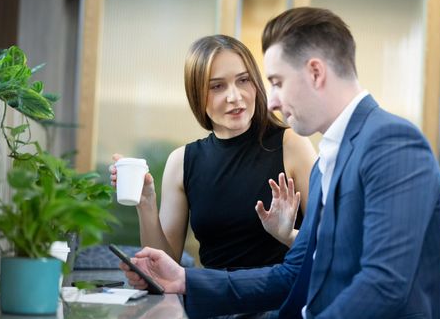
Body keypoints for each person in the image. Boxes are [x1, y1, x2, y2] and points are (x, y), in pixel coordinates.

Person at [120, 7, 440, 319]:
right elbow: (293, 274)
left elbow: (384, 284)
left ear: (315, 72)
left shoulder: (391, 143)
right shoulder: (330, 157)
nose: (271, 101)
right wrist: (185, 280)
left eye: (276, 83)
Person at [110, 35, 316, 270]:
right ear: (197, 95)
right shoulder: (182, 161)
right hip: (213, 300)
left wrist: (288, 234)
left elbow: (327, 246)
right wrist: (145, 203)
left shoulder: (291, 144)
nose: (235, 96)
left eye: (243, 80)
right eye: (217, 86)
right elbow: (162, 266)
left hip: (279, 301)